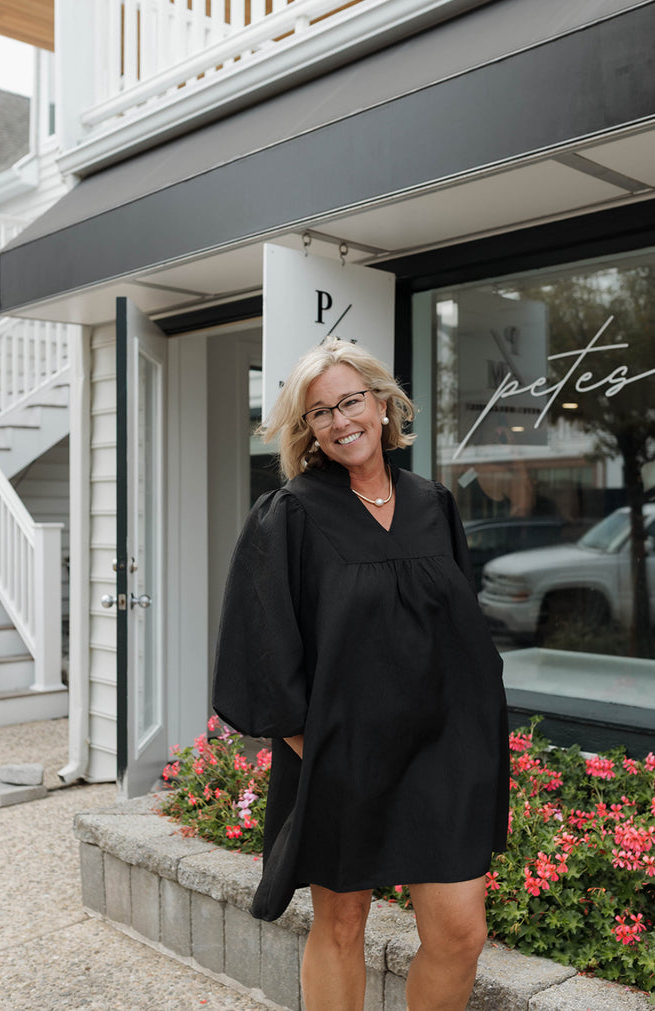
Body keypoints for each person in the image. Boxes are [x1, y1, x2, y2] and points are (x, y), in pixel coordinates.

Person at [212, 338, 509, 1011]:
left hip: (442, 754)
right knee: (342, 924)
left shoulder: (434, 502)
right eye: (320, 412)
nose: (340, 420)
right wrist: (311, 751)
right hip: (339, 752)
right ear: (307, 428)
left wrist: (481, 730)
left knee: (460, 931)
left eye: (350, 401)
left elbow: (463, 631)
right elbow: (260, 645)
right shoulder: (291, 514)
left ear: (381, 403)